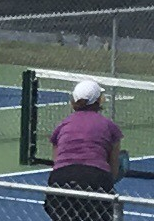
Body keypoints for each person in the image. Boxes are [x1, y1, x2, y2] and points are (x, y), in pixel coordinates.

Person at [44, 80, 123, 221]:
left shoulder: (63, 125)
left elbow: (56, 161)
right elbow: (114, 167)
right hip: (96, 179)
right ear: (99, 101)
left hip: (60, 180)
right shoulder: (110, 127)